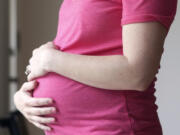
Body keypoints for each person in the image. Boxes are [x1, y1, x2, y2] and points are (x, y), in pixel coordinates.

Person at [14, 0, 177, 135]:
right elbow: (74, 50)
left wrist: (50, 60)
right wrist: (27, 93)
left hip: (114, 127)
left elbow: (137, 73)